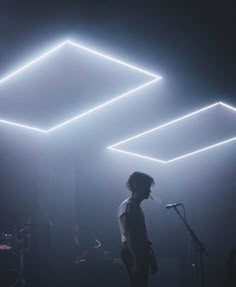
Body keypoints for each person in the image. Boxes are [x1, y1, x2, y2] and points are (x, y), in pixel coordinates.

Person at [118, 172, 157, 287]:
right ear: (136, 186)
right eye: (147, 187)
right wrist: (136, 260)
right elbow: (128, 234)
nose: (149, 191)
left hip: (138, 251)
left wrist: (149, 257)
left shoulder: (135, 207)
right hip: (132, 251)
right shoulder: (128, 206)